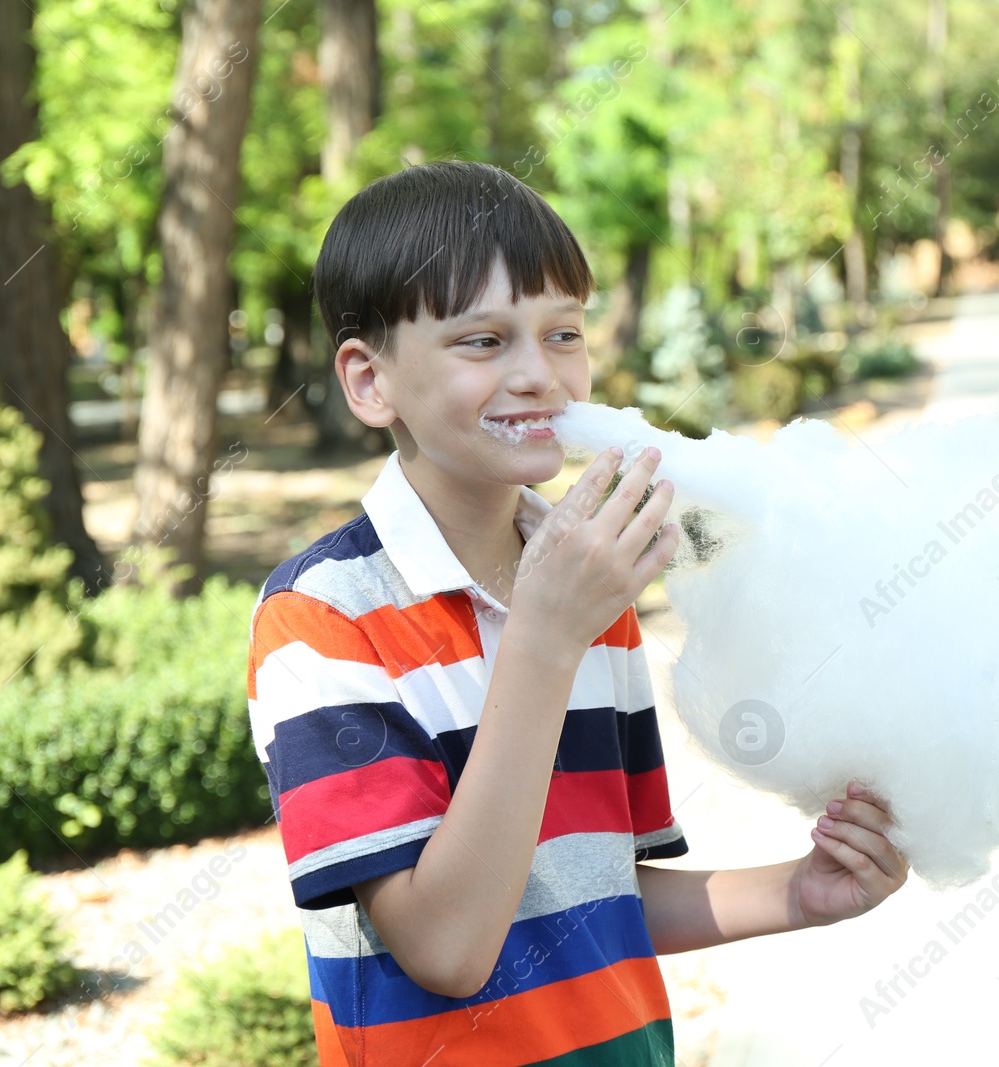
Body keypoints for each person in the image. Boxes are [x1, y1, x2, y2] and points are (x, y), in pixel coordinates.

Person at [246, 159, 908, 1066]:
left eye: (563, 333)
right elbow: (447, 946)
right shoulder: (322, 618)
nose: (539, 375)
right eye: (482, 341)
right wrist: (545, 636)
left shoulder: (589, 591)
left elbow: (597, 888)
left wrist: (799, 892)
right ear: (370, 382)